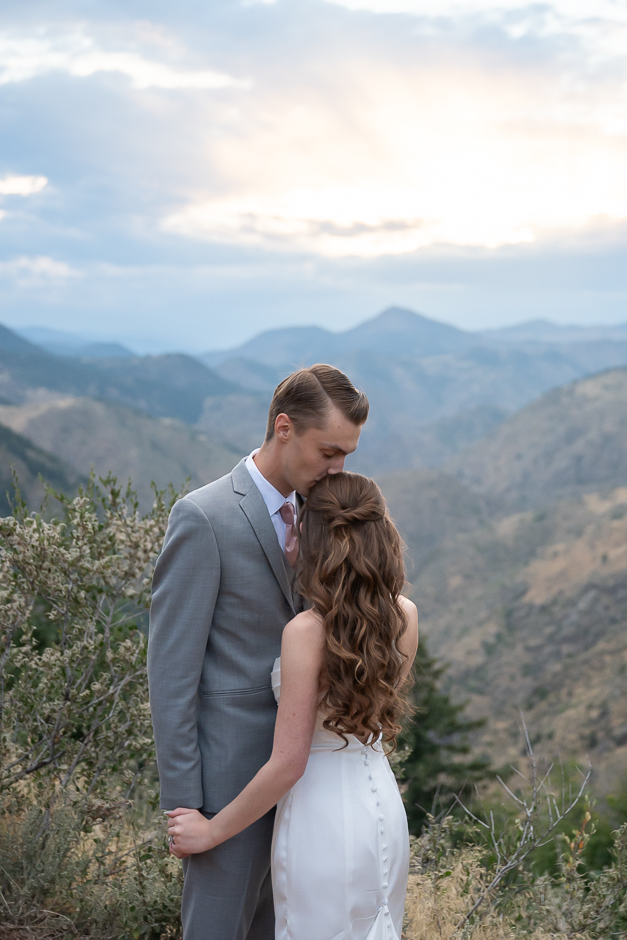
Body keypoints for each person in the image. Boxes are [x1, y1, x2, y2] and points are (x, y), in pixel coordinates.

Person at [147, 365, 369, 940]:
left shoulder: (325, 517)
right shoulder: (204, 517)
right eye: (329, 451)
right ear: (285, 427)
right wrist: (185, 806)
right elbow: (171, 674)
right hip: (227, 788)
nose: (338, 468)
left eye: (346, 454)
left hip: (307, 783)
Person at [166, 471, 418, 940]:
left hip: (319, 819)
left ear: (314, 537)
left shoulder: (306, 632)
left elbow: (289, 763)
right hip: (381, 808)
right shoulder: (404, 614)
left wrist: (211, 832)